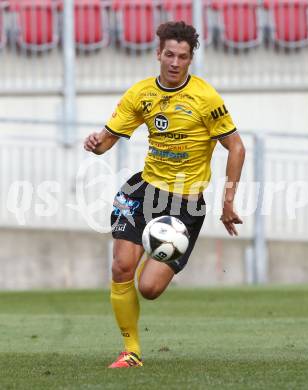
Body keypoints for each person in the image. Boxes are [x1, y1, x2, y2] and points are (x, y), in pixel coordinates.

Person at [83, 21, 245, 368]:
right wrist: (96, 145)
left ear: (190, 60)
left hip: (184, 206)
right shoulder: (140, 93)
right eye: (169, 54)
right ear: (158, 54)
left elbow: (236, 147)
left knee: (149, 288)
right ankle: (132, 352)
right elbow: (108, 139)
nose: (174, 62)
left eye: (182, 57)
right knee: (121, 266)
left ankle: (148, 269)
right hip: (143, 190)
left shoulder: (206, 98)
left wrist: (227, 201)